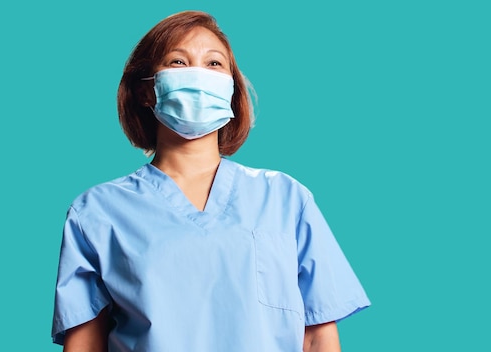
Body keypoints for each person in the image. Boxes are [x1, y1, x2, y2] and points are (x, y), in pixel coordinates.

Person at [52, 10, 370, 352]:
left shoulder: (286, 198)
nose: (198, 75)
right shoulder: (97, 212)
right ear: (146, 91)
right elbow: (85, 344)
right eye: (178, 61)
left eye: (214, 64)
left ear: (231, 88)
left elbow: (317, 336)